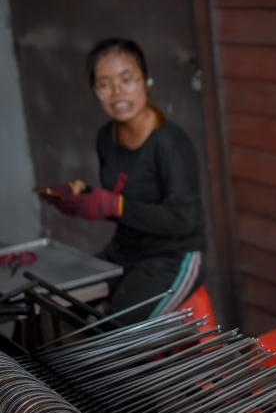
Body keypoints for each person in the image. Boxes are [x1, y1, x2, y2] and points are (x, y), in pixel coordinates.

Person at [47, 39, 207, 324]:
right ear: (95, 91)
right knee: (63, 301)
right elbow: (124, 198)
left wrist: (114, 205)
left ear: (146, 81)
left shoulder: (170, 143)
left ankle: (144, 362)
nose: (117, 92)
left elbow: (185, 220)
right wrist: (86, 198)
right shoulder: (106, 138)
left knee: (112, 333)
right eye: (105, 84)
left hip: (173, 258)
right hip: (125, 249)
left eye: (127, 79)